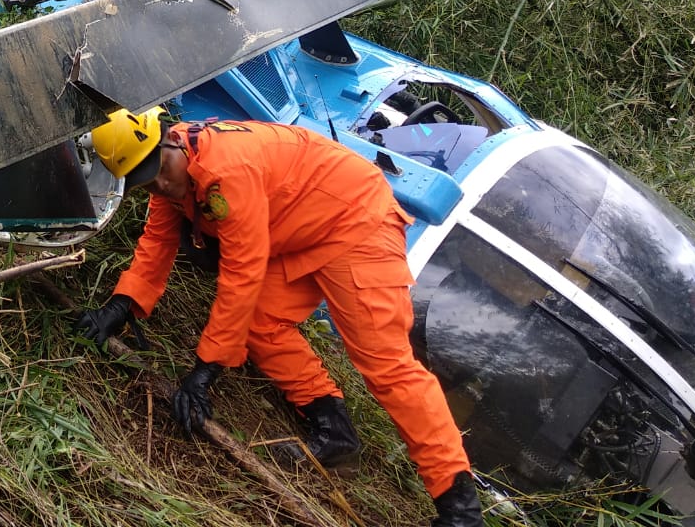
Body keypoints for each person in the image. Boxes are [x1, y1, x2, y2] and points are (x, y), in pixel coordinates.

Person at [74, 107, 484, 527]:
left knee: (386, 365)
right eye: (146, 183)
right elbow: (158, 240)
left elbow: (242, 274)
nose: (161, 184)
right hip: (300, 231)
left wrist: (205, 370)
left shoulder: (226, 168)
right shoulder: (171, 178)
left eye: (160, 170)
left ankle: (459, 506)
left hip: (356, 221)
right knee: (259, 323)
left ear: (170, 139)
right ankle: (334, 432)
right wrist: (120, 307)